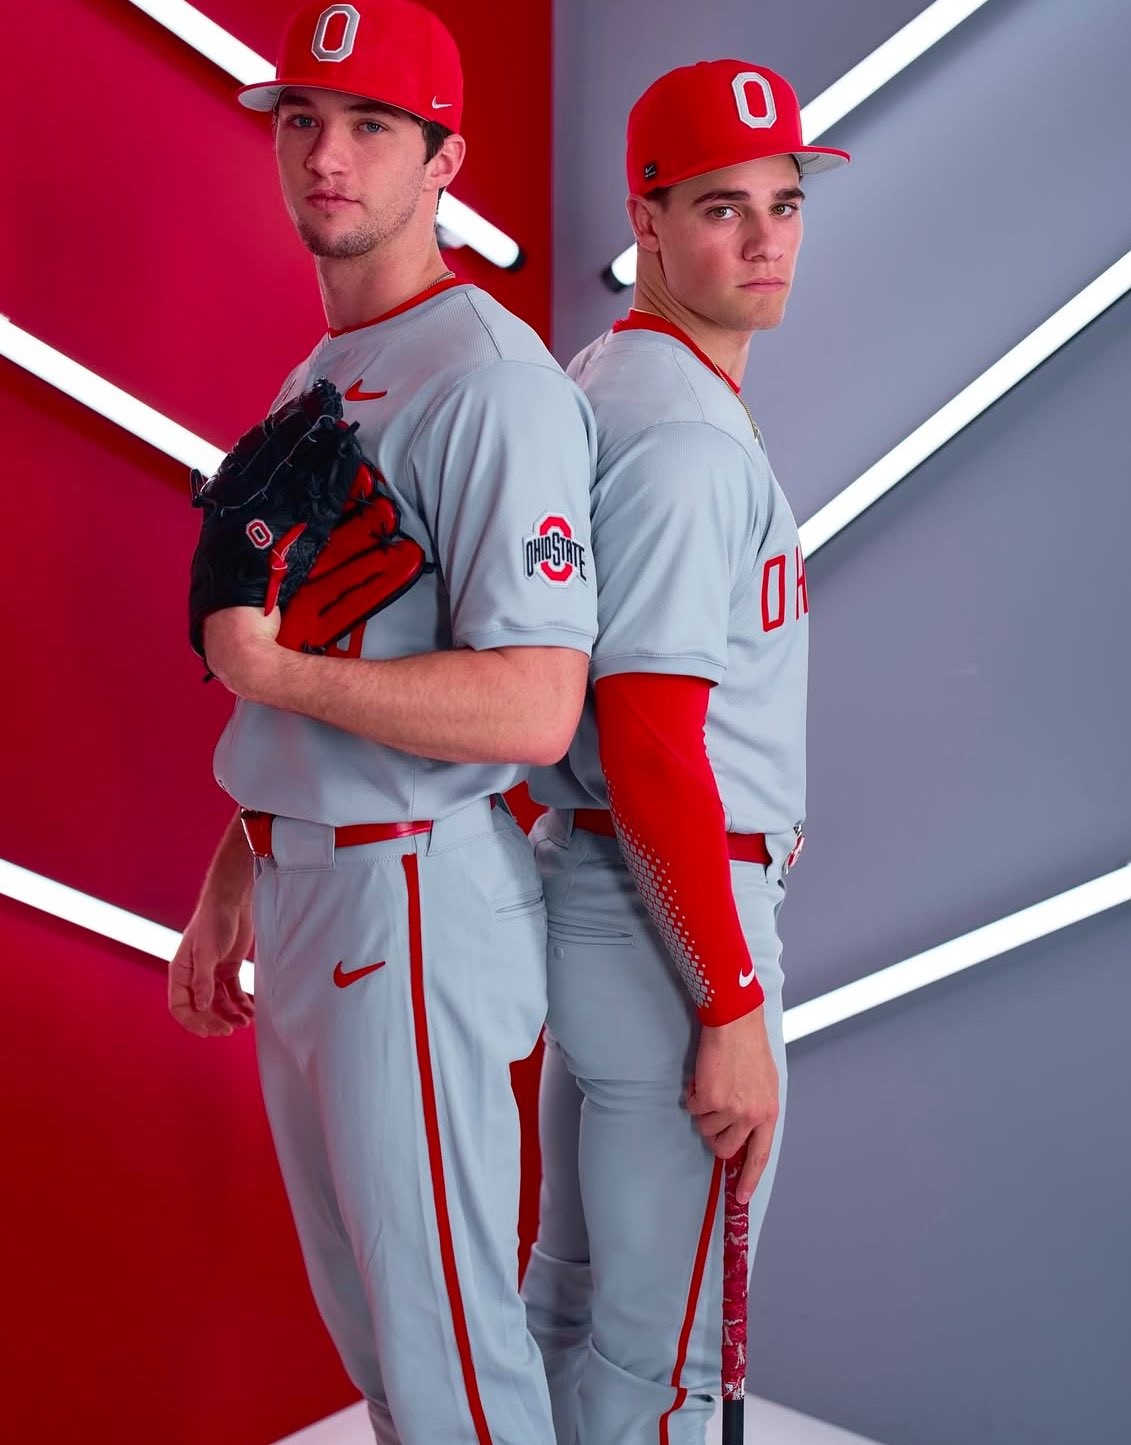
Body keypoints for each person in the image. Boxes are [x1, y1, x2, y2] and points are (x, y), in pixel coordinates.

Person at [166, 4, 597, 1443]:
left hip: (411, 893)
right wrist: (238, 869)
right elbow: (331, 641)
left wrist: (271, 677)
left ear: (444, 161)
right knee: (386, 1356)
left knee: (450, 1361)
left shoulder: (491, 379)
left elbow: (537, 704)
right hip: (312, 883)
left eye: (370, 126)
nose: (326, 156)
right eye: (302, 120)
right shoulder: (321, 371)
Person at [521, 59, 849, 1444]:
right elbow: (651, 741)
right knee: (670, 1366)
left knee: (572, 1307)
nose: (767, 239)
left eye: (785, 202)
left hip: (598, 898)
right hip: (675, 922)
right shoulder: (685, 443)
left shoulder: (606, 380)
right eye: (723, 208)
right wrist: (728, 1004)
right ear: (646, 222)